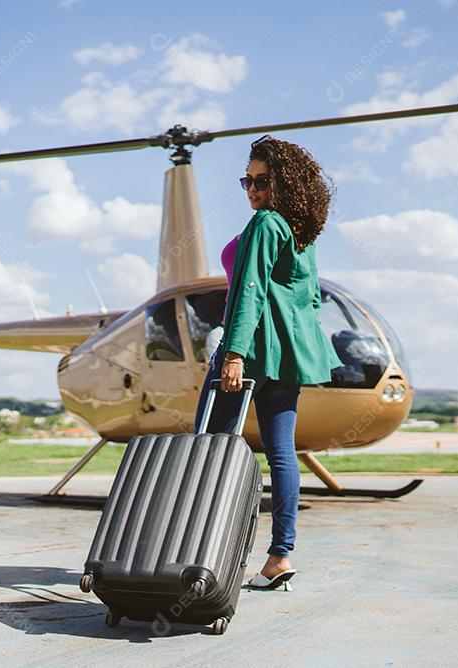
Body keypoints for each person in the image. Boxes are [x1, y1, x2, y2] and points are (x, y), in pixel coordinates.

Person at [193, 134, 340, 591]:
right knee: (282, 455)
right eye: (247, 181)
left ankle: (197, 550)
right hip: (287, 356)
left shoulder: (264, 225)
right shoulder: (303, 232)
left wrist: (234, 353)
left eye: (263, 180)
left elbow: (250, 290)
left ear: (286, 182)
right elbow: (309, 300)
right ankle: (280, 556)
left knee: (207, 448)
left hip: (250, 351)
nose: (252, 189)